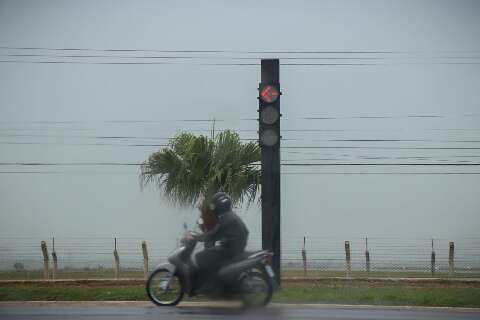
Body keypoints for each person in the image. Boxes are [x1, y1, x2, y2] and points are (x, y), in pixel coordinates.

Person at [193, 192, 249, 284]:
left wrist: (198, 237)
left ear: (219, 205)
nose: (213, 208)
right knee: (211, 255)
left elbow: (214, 233)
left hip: (230, 249)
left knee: (201, 256)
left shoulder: (226, 218)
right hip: (233, 247)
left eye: (214, 205)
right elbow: (218, 231)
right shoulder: (230, 216)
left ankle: (209, 283)